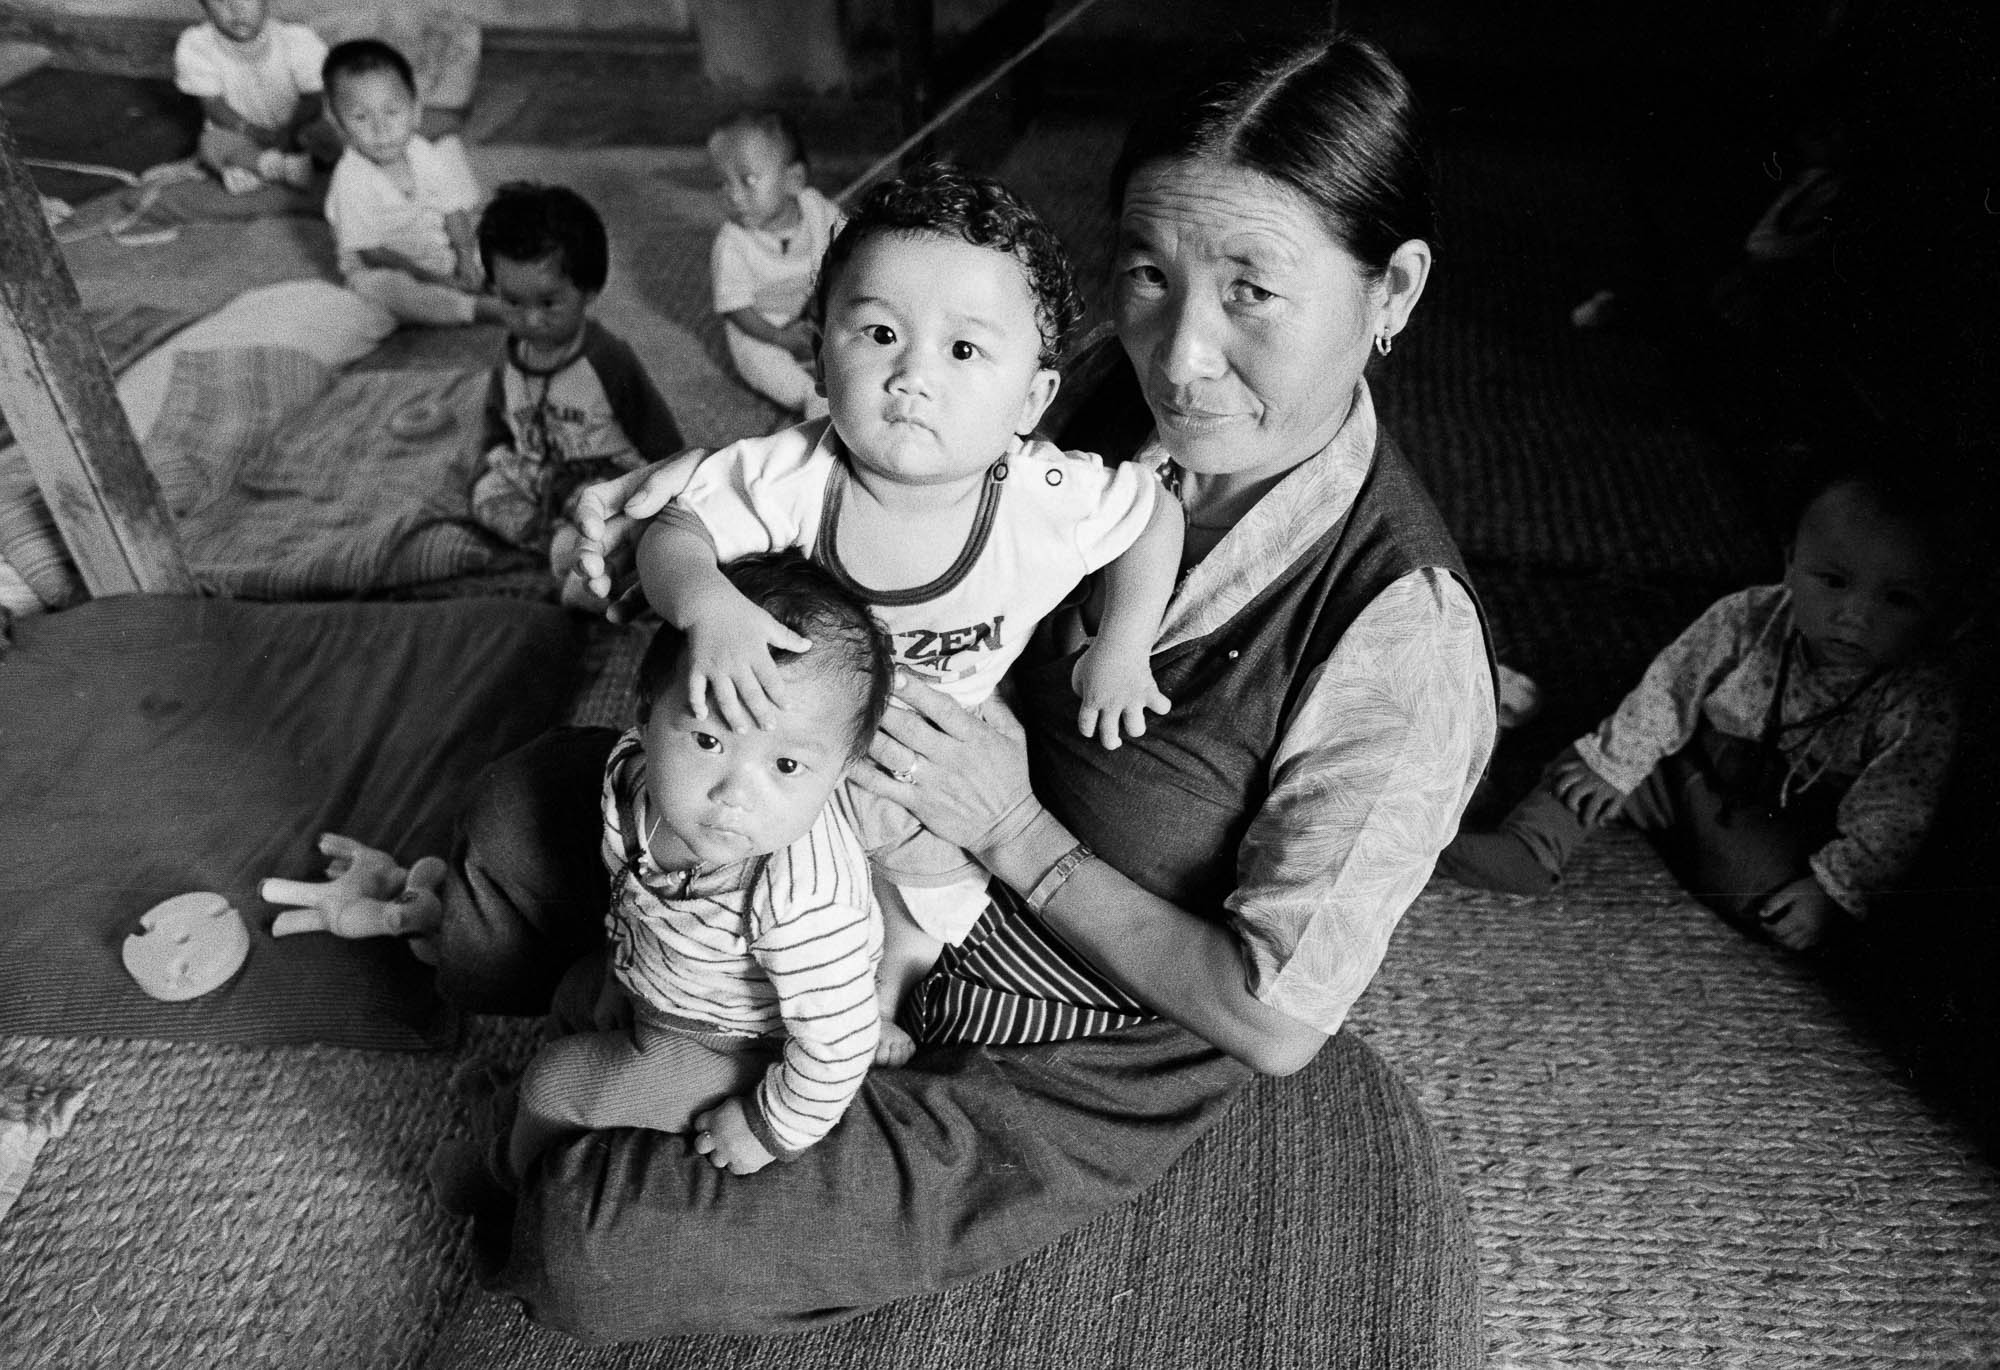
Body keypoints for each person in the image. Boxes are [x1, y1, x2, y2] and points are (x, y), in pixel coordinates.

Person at [267, 32, 1496, 1341]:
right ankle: (618, 1001)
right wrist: (666, 550)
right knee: (518, 814)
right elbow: (848, 491)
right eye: (1150, 273)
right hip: (851, 835)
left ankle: (682, 1061)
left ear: (1394, 291)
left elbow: (1271, 1019)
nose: (1180, 355)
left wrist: (1013, 830)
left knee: (589, 1239)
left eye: (1254, 290)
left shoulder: (1401, 643)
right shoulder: (1076, 389)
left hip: (1062, 1028)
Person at [635, 161, 1183, 1041]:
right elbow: (673, 528)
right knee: (706, 838)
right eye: (879, 334)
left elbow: (1154, 514)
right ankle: (734, 981)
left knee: (931, 884)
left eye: (963, 351)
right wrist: (706, 604)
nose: (912, 376)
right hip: (790, 737)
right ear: (819, 354)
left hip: (943, 739)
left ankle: (896, 971)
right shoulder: (798, 473)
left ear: (1032, 399)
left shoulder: (1044, 493)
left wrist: (1125, 644)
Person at [1438, 466, 1962, 951]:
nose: (1854, 616)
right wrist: (1618, 766)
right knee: (1588, 769)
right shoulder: (1748, 617)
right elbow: (1672, 688)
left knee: (1767, 902)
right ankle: (1523, 846)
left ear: (1940, 605)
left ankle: (1705, 847)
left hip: (1782, 814)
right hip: (1684, 761)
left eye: (1897, 599)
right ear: (1790, 563)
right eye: (1834, 581)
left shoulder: (1919, 697)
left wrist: (1831, 887)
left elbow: (1893, 816)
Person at [502, 551, 895, 1180]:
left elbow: (840, 1047)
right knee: (572, 995)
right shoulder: (632, 776)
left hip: (741, 1042)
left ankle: (501, 1182)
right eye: (709, 740)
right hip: (659, 976)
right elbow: (631, 888)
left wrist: (771, 1128)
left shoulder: (805, 902)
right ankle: (523, 1114)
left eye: (787, 766)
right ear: (646, 713)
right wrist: (619, 971)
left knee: (555, 1086)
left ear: (842, 771)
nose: (734, 794)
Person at [469, 182, 686, 581]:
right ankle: (564, 545)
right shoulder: (510, 355)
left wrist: (673, 490)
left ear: (588, 289)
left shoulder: (609, 360)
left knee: (619, 510)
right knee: (484, 494)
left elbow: (660, 437)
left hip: (598, 481)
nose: (530, 320)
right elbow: (496, 422)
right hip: (539, 475)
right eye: (511, 302)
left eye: (549, 302)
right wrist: (495, 455)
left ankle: (598, 550)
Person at [321, 39, 505, 328]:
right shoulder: (350, 178)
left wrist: (465, 258)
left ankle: (497, 283)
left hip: (437, 250)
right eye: (360, 117)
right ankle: (473, 308)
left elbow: (453, 212)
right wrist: (438, 280)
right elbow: (373, 253)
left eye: (392, 112)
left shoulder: (423, 151)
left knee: (497, 239)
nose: (381, 130)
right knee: (386, 289)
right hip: (383, 266)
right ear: (336, 121)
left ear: (416, 109)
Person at [706, 109, 844, 419]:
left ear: (793, 180)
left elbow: (849, 252)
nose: (733, 195)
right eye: (723, 184)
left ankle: (849, 381)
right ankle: (810, 399)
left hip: (813, 313)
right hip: (761, 327)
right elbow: (736, 309)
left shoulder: (818, 210)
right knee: (760, 360)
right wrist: (779, 338)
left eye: (748, 180)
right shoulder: (732, 243)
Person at [173, 0, 336, 194]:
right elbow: (213, 104)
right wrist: (252, 131)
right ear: (204, 6)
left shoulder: (296, 38)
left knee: (328, 135)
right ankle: (271, 166)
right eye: (220, 1)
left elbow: (314, 97)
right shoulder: (196, 44)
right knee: (211, 143)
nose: (236, 8)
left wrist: (289, 132)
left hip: (299, 128)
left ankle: (264, 170)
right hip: (242, 133)